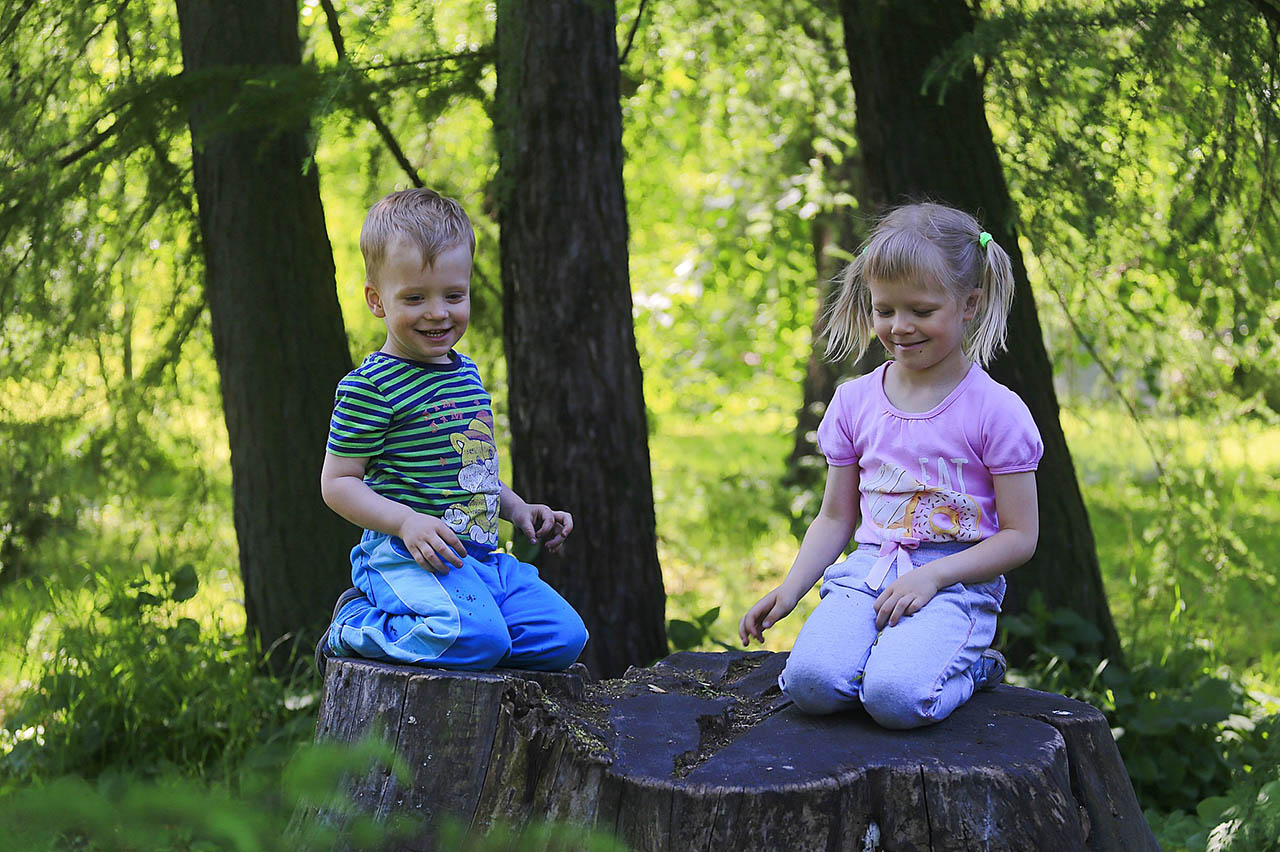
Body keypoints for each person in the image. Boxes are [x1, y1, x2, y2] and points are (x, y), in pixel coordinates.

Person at [738, 202, 1042, 729]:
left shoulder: (997, 411)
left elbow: (1020, 536)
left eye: (921, 311)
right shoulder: (855, 402)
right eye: (884, 310)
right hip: (870, 570)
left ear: (969, 304)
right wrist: (791, 589)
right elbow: (836, 518)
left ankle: (970, 671)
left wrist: (936, 575)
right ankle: (883, 659)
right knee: (809, 685)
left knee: (896, 700)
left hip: (955, 582)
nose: (900, 327)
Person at [315, 188, 588, 673]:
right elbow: (337, 484)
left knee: (564, 638)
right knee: (476, 641)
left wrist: (520, 509)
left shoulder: (466, 376)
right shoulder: (370, 387)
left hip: (480, 558)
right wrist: (404, 522)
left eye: (453, 295)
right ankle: (354, 625)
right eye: (415, 298)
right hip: (406, 556)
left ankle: (468, 635)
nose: (438, 312)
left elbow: (473, 473)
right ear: (377, 301)